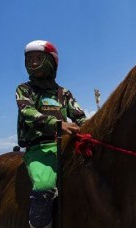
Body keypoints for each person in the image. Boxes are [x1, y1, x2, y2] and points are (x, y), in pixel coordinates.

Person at [16, 40, 86, 228]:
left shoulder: (64, 93)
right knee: (45, 186)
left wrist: (88, 129)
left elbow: (80, 116)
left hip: (66, 145)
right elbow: (28, 113)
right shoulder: (24, 89)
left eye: (38, 58)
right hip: (39, 148)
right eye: (29, 59)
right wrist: (58, 125)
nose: (32, 63)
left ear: (51, 61)